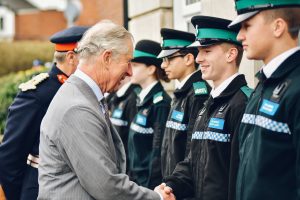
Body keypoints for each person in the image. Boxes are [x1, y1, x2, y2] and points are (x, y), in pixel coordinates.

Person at [38, 20, 175, 200]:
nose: (129, 72)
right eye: (127, 62)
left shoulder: (82, 95)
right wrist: (157, 198)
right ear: (107, 58)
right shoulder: (77, 108)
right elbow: (105, 186)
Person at [156, 16, 252, 200]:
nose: (198, 59)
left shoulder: (243, 103)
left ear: (231, 54)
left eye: (206, 51)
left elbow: (243, 176)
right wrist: (170, 186)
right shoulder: (208, 103)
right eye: (199, 51)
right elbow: (193, 161)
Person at [0, 25, 88, 200]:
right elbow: (10, 155)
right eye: (88, 56)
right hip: (39, 189)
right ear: (71, 57)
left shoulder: (82, 90)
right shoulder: (40, 93)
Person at [228, 0, 300, 199]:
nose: (239, 35)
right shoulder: (263, 84)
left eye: (247, 26)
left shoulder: (296, 88)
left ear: (278, 27)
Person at [158, 28, 211, 178]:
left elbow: (192, 150)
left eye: (168, 59)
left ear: (188, 59)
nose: (163, 65)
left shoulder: (198, 94)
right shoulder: (181, 92)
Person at [128, 39, 171, 189]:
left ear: (151, 69)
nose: (130, 70)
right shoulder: (141, 98)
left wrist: (151, 190)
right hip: (135, 181)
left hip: (147, 185)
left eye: (135, 65)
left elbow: (158, 153)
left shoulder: (160, 104)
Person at [107, 76, 141, 173]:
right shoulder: (114, 96)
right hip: (115, 161)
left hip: (126, 165)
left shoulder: (133, 97)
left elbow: (132, 140)